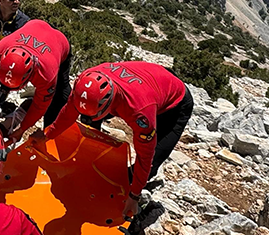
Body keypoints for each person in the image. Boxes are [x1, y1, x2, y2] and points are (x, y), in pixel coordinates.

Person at [43, 61, 194, 219]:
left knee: (153, 160)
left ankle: (121, 202)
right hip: (151, 80)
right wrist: (47, 135)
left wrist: (134, 195)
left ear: (109, 104)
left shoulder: (139, 112)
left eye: (95, 113)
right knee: (90, 126)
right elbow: (68, 113)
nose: (86, 118)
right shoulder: (86, 82)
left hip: (175, 105)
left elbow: (145, 158)